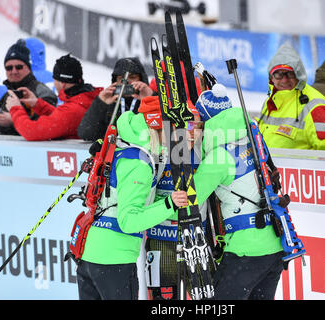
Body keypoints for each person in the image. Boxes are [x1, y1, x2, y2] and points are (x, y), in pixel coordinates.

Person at [74, 96, 188, 300]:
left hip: (89, 254)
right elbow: (129, 221)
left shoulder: (125, 142)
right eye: (172, 126)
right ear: (158, 125)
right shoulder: (139, 164)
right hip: (114, 259)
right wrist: (170, 203)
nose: (176, 132)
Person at [179, 83, 285, 300]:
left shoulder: (219, 157)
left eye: (197, 123)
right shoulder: (253, 140)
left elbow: (188, 200)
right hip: (274, 246)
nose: (194, 129)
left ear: (208, 121)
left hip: (245, 251)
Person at [143, 98, 211, 300]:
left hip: (197, 242)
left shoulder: (204, 151)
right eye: (183, 126)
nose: (190, 132)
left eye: (195, 125)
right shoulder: (154, 155)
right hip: (160, 242)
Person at [4, 53, 102, 141]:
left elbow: (31, 131)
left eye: (54, 79)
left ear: (62, 83)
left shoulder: (72, 110)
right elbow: (62, 119)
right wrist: (37, 104)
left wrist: (15, 109)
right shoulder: (85, 98)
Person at [257, 43, 325, 150]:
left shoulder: (317, 107)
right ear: (271, 77)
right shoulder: (271, 102)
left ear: (299, 75)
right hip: (269, 166)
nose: (284, 80)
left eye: (290, 74)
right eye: (279, 74)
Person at [0, 39, 57, 135]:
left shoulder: (42, 92)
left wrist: (14, 120)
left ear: (28, 67)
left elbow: (45, 127)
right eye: (9, 68)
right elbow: (2, 128)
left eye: (19, 67)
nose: (14, 71)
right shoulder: (8, 94)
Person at [77, 57, 153, 142]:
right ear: (115, 81)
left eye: (132, 77)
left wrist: (151, 99)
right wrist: (100, 103)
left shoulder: (150, 99)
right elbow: (86, 133)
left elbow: (163, 131)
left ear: (141, 79)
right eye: (121, 78)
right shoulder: (110, 102)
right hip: (115, 151)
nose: (126, 82)